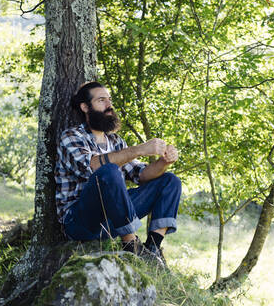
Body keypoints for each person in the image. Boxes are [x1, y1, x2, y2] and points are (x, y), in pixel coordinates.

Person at [55, 81, 181, 264]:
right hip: (80, 222)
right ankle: (130, 246)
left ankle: (152, 251)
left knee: (170, 180)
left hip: (112, 220)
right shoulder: (71, 137)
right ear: (85, 107)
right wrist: (138, 150)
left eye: (109, 100)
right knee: (109, 171)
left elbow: (141, 174)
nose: (109, 105)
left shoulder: (115, 141)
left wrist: (164, 161)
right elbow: (92, 166)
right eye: (101, 100)